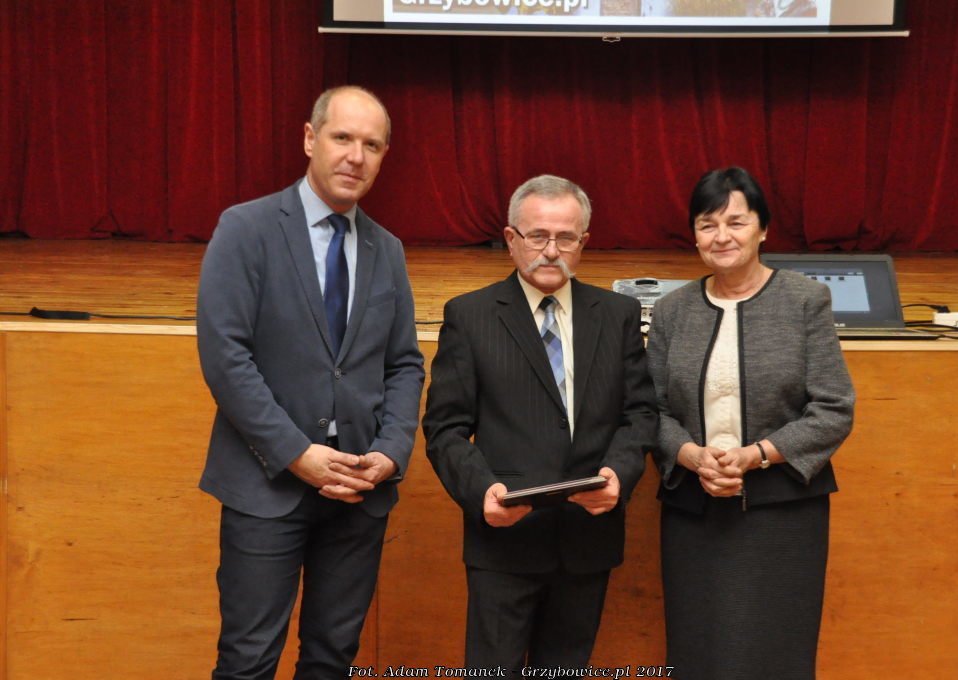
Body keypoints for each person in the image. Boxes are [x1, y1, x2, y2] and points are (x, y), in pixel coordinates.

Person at [196, 86, 424, 680]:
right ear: (309, 139)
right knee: (248, 662)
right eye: (342, 137)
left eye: (372, 145)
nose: (356, 156)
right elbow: (225, 357)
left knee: (331, 661)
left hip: (358, 494)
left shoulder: (387, 249)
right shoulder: (245, 228)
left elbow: (404, 364)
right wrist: (297, 454)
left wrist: (390, 453)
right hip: (265, 488)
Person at [422, 175, 657, 673]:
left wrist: (619, 475)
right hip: (504, 540)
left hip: (587, 539)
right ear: (511, 240)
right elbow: (445, 428)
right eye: (538, 236)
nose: (551, 251)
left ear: (583, 243)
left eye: (565, 238)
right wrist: (481, 491)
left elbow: (640, 414)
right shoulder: (471, 315)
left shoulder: (618, 314)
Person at [646, 167, 855, 679]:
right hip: (693, 510)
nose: (721, 236)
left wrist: (754, 455)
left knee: (776, 653)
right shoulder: (671, 311)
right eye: (707, 224)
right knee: (697, 651)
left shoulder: (804, 300)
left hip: (783, 511)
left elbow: (833, 408)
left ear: (763, 229)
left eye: (736, 222)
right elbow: (650, 410)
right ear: (694, 235)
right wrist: (691, 456)